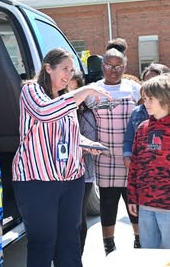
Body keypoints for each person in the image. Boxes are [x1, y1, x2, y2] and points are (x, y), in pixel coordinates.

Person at [12, 48, 110, 267]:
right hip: (37, 181)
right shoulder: (32, 90)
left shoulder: (65, 98)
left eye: (72, 70)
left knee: (69, 242)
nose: (68, 74)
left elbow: (69, 134)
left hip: (71, 181)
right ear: (48, 68)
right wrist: (83, 91)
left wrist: (88, 144)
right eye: (64, 68)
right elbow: (45, 113)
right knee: (43, 242)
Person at [124, 63, 170, 249]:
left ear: (166, 100)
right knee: (149, 254)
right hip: (145, 205)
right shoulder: (142, 128)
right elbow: (135, 166)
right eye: (144, 99)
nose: (146, 103)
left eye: (150, 99)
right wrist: (132, 197)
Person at [84, 39, 142, 255]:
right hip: (105, 158)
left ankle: (139, 242)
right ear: (103, 66)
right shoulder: (92, 91)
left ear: (125, 67)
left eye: (119, 66)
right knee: (107, 205)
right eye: (109, 65)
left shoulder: (134, 89)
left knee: (133, 202)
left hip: (130, 157)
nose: (114, 70)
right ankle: (109, 246)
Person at [68, 70, 96, 255]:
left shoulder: (85, 115)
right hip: (61, 174)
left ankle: (78, 255)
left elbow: (90, 142)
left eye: (74, 90)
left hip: (83, 174)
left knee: (78, 217)